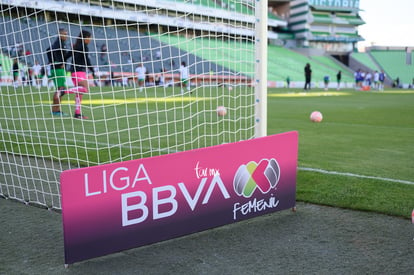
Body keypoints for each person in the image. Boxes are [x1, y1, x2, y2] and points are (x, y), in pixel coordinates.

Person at [68, 30, 95, 119]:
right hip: (79, 71)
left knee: (79, 93)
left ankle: (77, 113)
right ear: (85, 37)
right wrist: (92, 69)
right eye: (89, 37)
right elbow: (86, 60)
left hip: (74, 71)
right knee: (85, 89)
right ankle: (64, 91)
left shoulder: (76, 46)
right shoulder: (84, 46)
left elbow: (67, 55)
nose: (90, 39)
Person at [48, 28, 72, 116]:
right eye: (64, 34)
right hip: (58, 70)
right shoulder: (58, 43)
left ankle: (55, 110)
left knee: (60, 89)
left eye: (66, 34)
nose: (66, 36)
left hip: (58, 69)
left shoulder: (60, 43)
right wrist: (58, 63)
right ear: (60, 34)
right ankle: (56, 110)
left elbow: (50, 51)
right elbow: (49, 51)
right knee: (60, 89)